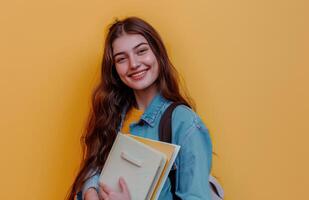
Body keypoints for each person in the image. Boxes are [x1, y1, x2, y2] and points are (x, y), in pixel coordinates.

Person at [66, 16, 213, 200]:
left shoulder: (185, 123)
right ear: (114, 69)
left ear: (158, 53)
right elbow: (95, 164)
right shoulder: (113, 113)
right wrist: (90, 191)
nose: (134, 64)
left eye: (141, 51)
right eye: (121, 59)